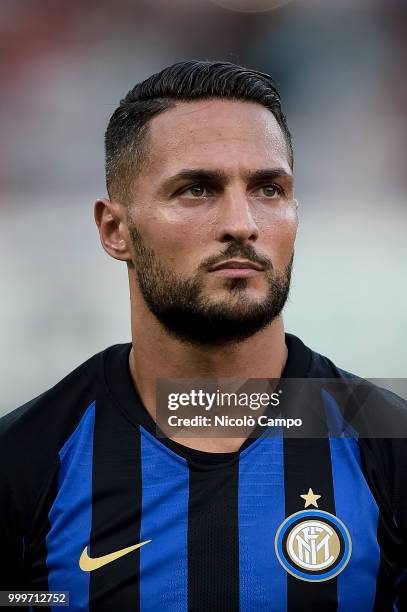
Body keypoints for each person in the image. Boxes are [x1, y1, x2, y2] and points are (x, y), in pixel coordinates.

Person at [0, 60, 406, 611]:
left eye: (268, 188)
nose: (242, 222)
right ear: (114, 230)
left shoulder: (388, 445)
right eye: (197, 189)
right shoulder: (27, 460)